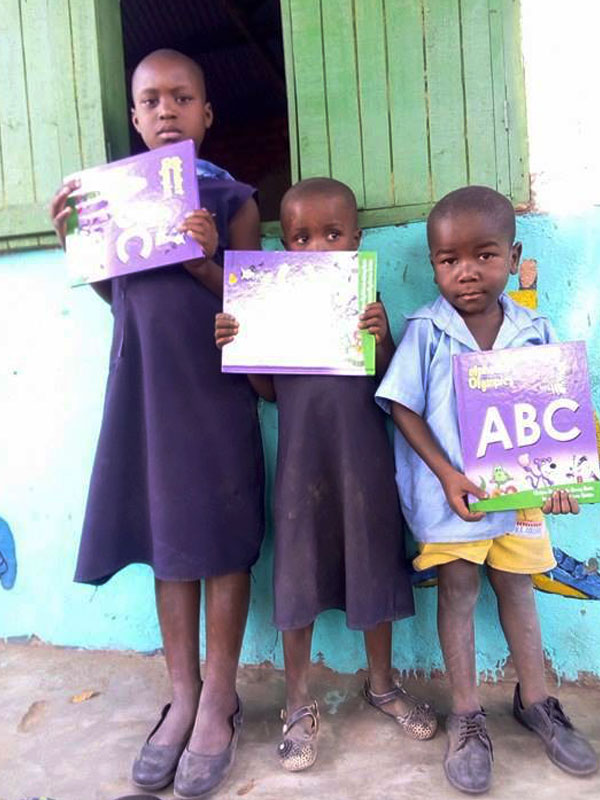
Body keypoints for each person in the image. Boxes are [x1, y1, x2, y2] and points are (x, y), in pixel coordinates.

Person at [49, 49, 264, 799]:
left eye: (182, 97)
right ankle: (181, 695)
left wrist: (210, 259)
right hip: (146, 393)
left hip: (216, 391)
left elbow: (261, 309)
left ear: (206, 114)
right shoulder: (113, 200)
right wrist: (74, 240)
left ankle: (219, 698)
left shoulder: (233, 199)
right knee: (169, 542)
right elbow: (127, 304)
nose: (167, 109)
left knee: (226, 540)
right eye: (151, 100)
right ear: (136, 118)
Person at [375, 185, 598, 794]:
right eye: (449, 260)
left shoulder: (534, 330)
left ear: (512, 253)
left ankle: (538, 701)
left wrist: (562, 482)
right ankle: (467, 714)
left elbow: (560, 420)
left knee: (519, 591)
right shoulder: (425, 329)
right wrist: (447, 474)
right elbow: (402, 408)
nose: (466, 272)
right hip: (454, 500)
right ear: (433, 264)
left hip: (521, 502)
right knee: (459, 591)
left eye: (485, 255)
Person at [215, 177, 437, 772]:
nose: (316, 249)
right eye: (301, 238)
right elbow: (269, 393)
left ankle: (382, 685)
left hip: (364, 465)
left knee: (375, 564)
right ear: (284, 247)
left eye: (333, 235)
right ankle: (297, 701)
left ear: (358, 242)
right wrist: (242, 348)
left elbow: (391, 388)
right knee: (298, 574)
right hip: (299, 470)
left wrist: (382, 338)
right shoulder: (275, 311)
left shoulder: (368, 307)